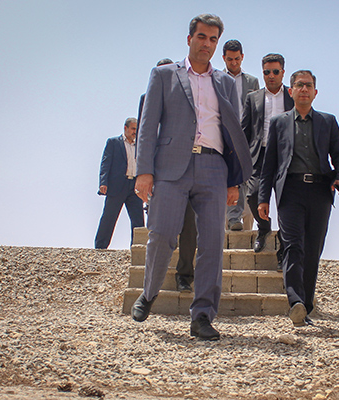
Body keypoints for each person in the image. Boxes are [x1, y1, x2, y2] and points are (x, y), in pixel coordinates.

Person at [131, 14, 252, 341]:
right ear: (189, 39)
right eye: (202, 37)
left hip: (214, 168)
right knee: (162, 235)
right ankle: (149, 292)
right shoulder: (163, 75)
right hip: (171, 167)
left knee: (212, 242)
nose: (207, 44)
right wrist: (144, 171)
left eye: (213, 39)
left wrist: (234, 180)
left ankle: (202, 316)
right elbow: (148, 125)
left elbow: (232, 132)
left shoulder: (225, 83)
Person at [258, 70, 339, 327]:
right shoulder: (279, 123)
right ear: (291, 91)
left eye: (308, 85)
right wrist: (263, 198)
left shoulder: (328, 122)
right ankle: (295, 300)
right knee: (293, 246)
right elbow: (269, 164)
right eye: (299, 85)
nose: (304, 89)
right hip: (290, 191)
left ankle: (305, 307)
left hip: (320, 192)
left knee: (313, 249)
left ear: (315, 92)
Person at [138, 58, 196, 293]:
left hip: (189, 170)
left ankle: (185, 276)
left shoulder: (189, 96)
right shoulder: (146, 99)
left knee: (190, 226)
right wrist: (145, 171)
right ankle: (152, 283)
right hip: (162, 174)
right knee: (160, 230)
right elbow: (145, 134)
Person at [242, 53, 294, 253]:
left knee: (286, 200)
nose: (271, 76)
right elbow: (245, 130)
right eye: (266, 72)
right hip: (259, 155)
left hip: (286, 156)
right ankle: (263, 229)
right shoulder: (253, 98)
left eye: (275, 71)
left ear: (283, 72)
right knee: (253, 195)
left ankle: (284, 240)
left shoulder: (292, 95)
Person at [222, 39, 259, 231]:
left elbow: (257, 109)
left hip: (246, 135)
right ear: (224, 58)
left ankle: (237, 218)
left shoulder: (252, 81)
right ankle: (232, 217)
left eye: (237, 59)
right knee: (228, 174)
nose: (234, 63)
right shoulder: (217, 78)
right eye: (230, 59)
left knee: (244, 174)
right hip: (224, 134)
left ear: (242, 57)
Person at [94, 118, 144, 249]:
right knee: (109, 217)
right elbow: (105, 163)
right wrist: (103, 182)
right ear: (125, 128)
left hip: (135, 187)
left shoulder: (140, 146)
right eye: (133, 129)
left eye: (137, 129)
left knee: (138, 220)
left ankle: (137, 248)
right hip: (117, 186)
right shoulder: (113, 142)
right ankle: (100, 247)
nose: (135, 132)